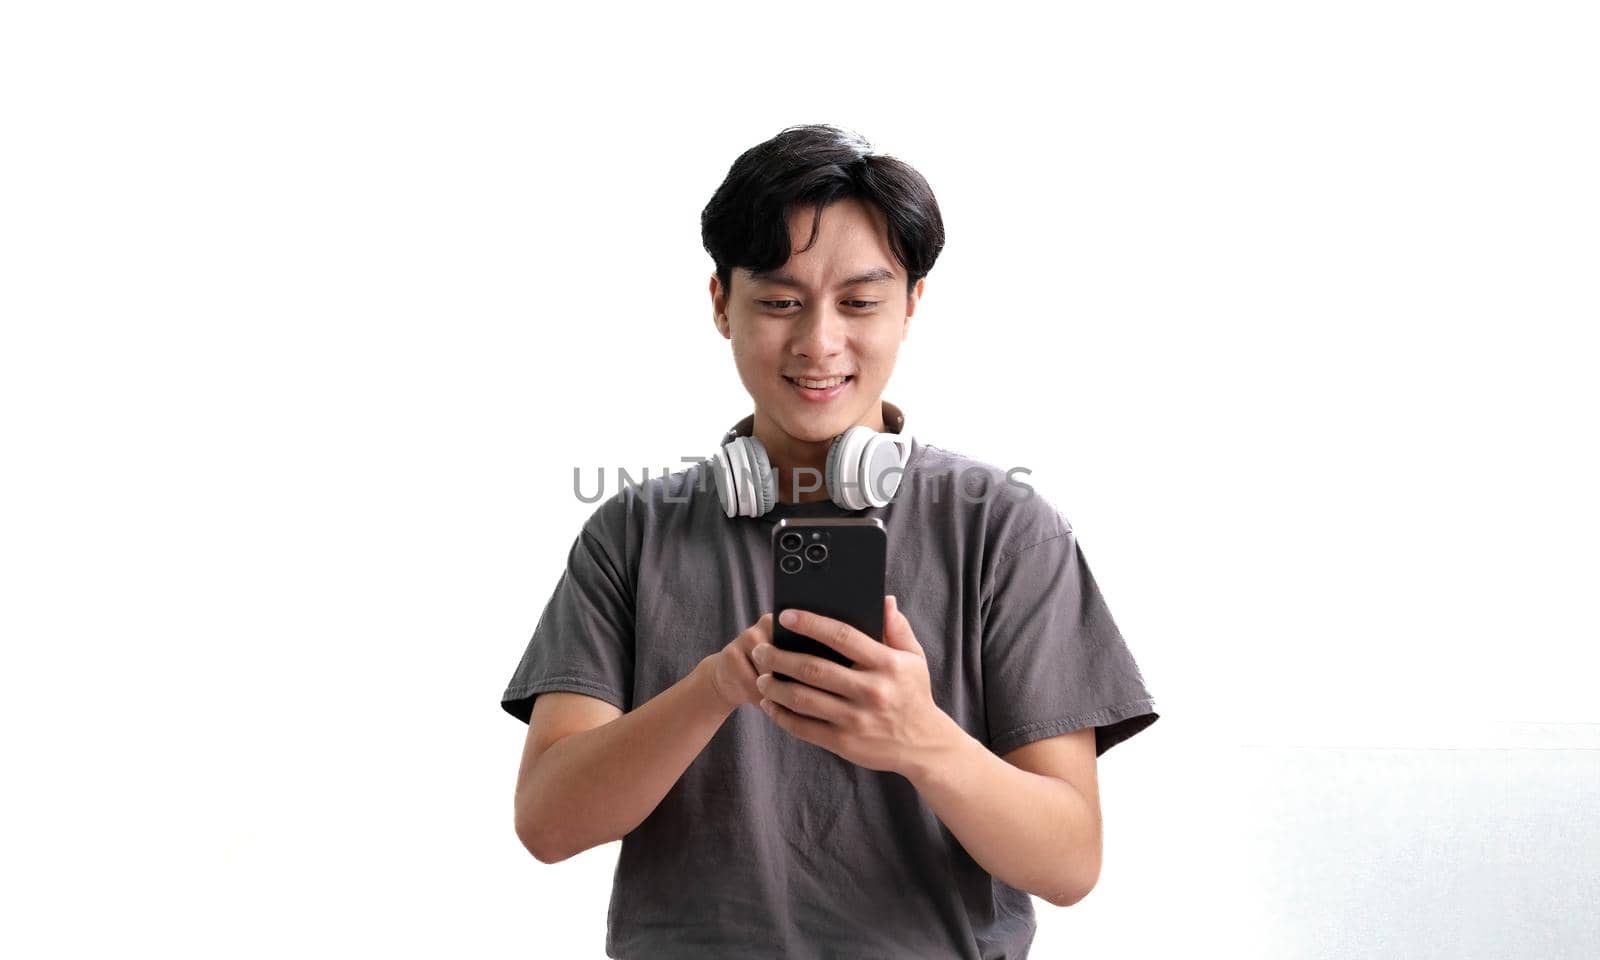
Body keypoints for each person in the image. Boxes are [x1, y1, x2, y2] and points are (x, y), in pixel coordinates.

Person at [501, 124, 1159, 959]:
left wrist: (921, 739)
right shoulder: (631, 534)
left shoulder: (1006, 528)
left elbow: (1070, 862)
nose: (818, 343)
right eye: (779, 302)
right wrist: (714, 687)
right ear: (719, 303)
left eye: (859, 301)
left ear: (912, 303)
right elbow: (548, 824)